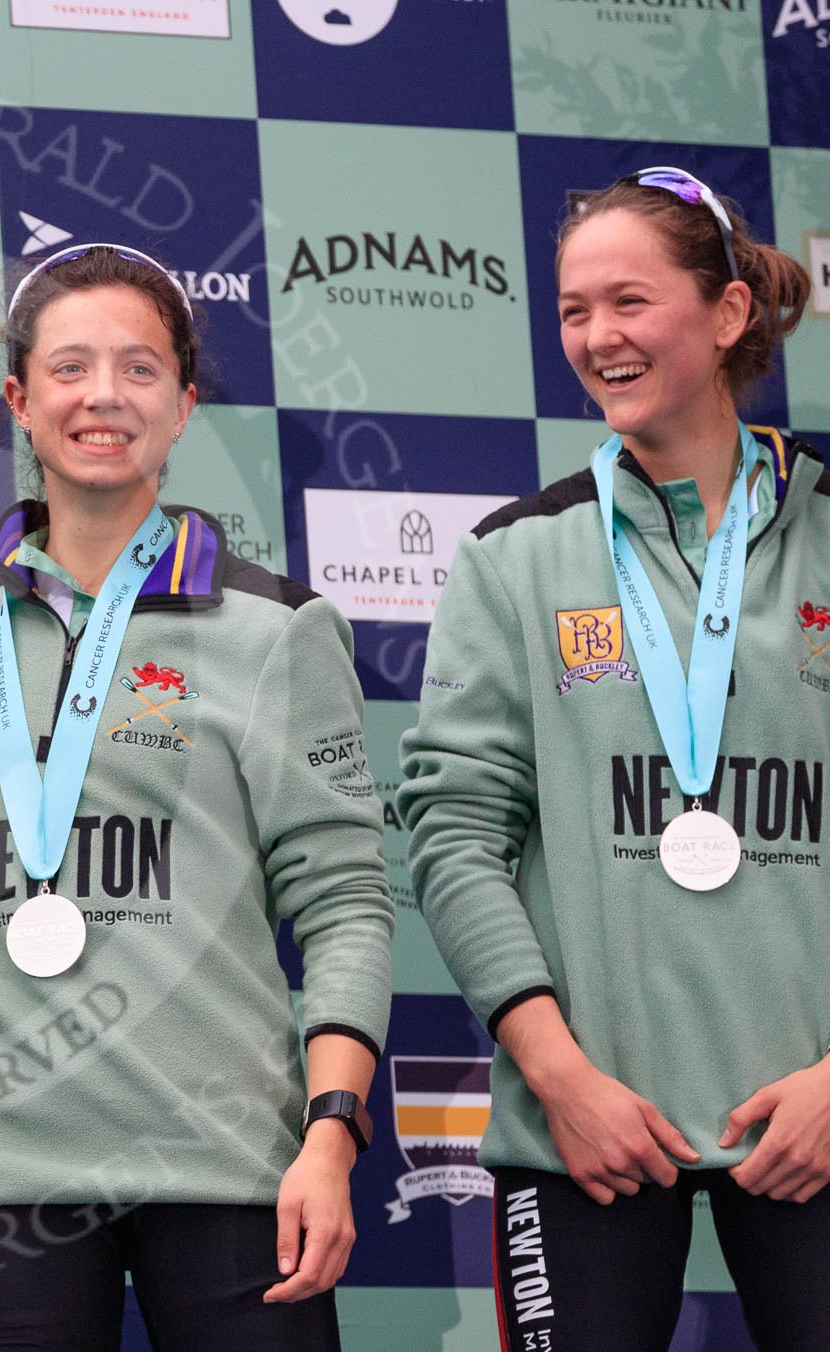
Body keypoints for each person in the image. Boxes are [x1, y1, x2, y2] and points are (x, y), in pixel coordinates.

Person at [0, 244, 395, 1351]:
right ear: (23, 402)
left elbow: (349, 904)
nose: (104, 397)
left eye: (138, 368)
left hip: (232, 1163)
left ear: (183, 402)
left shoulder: (277, 628)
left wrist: (329, 1135)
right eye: (70, 369)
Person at [399, 167, 825, 1349]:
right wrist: (560, 1075)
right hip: (588, 1129)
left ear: (729, 313)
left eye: (629, 301)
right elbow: (454, 837)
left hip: (821, 1117)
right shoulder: (512, 558)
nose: (597, 337)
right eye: (574, 310)